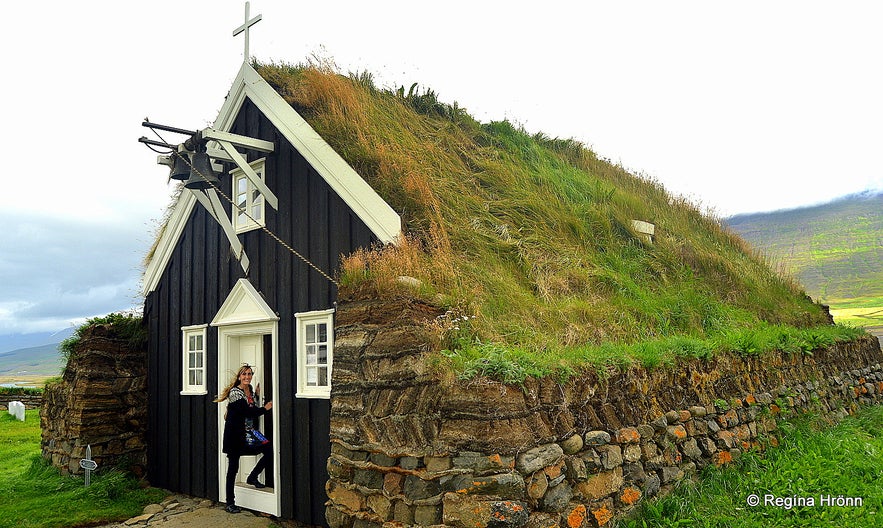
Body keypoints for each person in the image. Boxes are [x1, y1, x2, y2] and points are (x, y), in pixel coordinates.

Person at [215, 364, 273, 513]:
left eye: (249, 374)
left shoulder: (250, 390)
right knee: (233, 469)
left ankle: (252, 477)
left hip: (250, 432)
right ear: (239, 377)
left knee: (269, 449)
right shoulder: (235, 392)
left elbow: (251, 405)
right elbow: (248, 411)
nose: (247, 377)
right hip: (235, 436)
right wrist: (265, 409)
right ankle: (230, 502)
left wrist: (258, 396)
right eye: (244, 374)